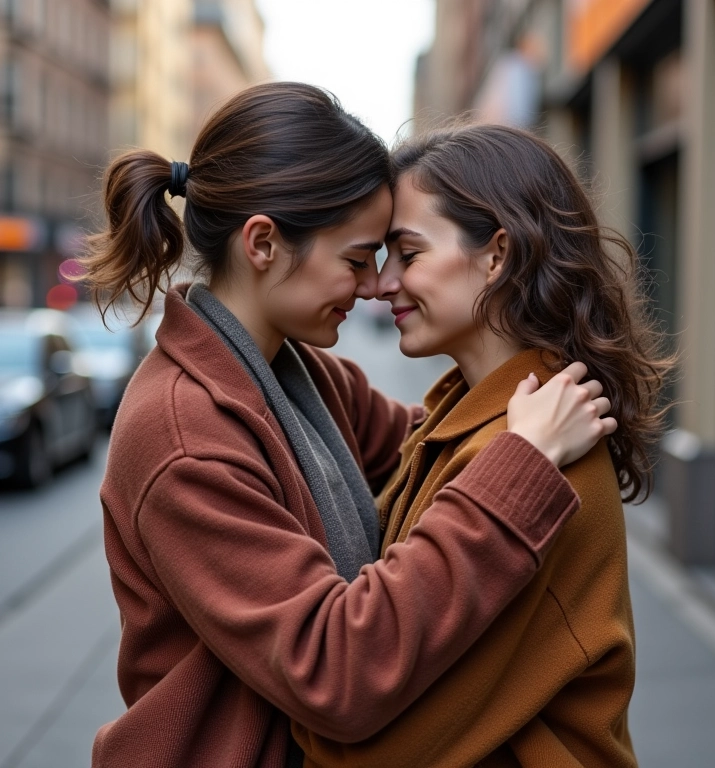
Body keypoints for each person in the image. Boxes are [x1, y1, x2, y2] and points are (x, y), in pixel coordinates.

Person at [81, 84, 616, 768]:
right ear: (265, 243)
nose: (374, 286)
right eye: (358, 258)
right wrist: (523, 464)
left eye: (396, 256)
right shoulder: (184, 434)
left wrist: (518, 400)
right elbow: (332, 668)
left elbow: (427, 450)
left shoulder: (291, 373)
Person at [293, 124, 673, 767]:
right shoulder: (483, 421)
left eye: (407, 255)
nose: (381, 285)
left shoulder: (538, 458)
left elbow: (369, 751)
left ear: (496, 256)